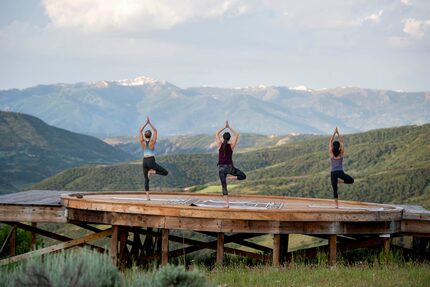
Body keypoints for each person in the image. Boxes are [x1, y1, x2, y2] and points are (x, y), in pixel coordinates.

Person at [215, 121, 247, 207]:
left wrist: (224, 127)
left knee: (224, 186)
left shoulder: (219, 145)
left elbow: (216, 133)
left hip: (221, 168)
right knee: (243, 176)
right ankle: (233, 177)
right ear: (229, 138)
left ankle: (226, 204)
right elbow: (236, 135)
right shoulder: (231, 146)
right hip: (230, 167)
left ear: (223, 138)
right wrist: (229, 127)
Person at [139, 116, 168, 200]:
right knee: (165, 172)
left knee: (146, 179)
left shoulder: (142, 142)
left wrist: (146, 123)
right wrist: (150, 123)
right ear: (151, 135)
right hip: (151, 161)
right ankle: (153, 171)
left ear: (144, 135)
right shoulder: (152, 142)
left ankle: (147, 197)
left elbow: (140, 130)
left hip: (144, 161)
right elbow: (155, 131)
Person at [329, 127, 354, 208]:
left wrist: (334, 133)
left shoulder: (331, 154)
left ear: (333, 147)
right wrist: (338, 133)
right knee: (351, 180)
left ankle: (336, 206)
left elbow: (330, 141)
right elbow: (342, 142)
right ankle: (340, 181)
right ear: (339, 147)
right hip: (340, 172)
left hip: (333, 173)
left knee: (335, 189)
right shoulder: (341, 154)